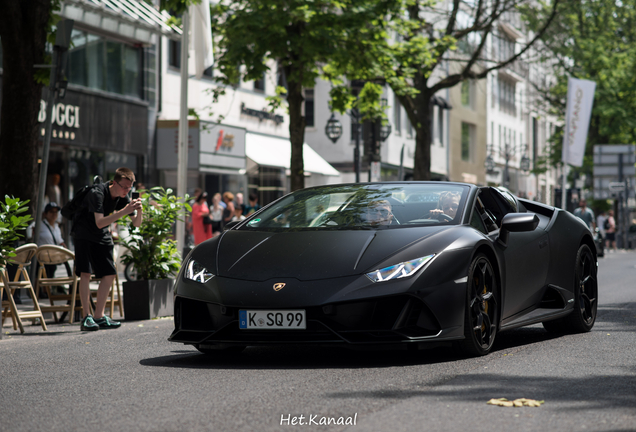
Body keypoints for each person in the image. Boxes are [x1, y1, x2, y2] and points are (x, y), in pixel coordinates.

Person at [72, 167, 143, 331]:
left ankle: (99, 315)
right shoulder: (98, 193)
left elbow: (137, 224)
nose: (126, 190)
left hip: (101, 234)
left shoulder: (123, 196)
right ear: (114, 182)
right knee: (85, 273)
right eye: (124, 187)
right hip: (84, 232)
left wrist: (139, 210)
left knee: (109, 273)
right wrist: (124, 211)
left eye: (129, 187)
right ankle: (86, 317)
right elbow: (100, 222)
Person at [26, 202, 69, 295]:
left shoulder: (56, 226)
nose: (54, 214)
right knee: (40, 275)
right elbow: (29, 231)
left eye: (55, 212)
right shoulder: (39, 224)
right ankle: (37, 293)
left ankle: (47, 292)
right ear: (45, 214)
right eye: (51, 212)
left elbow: (60, 241)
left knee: (49, 275)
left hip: (52, 256)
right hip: (42, 256)